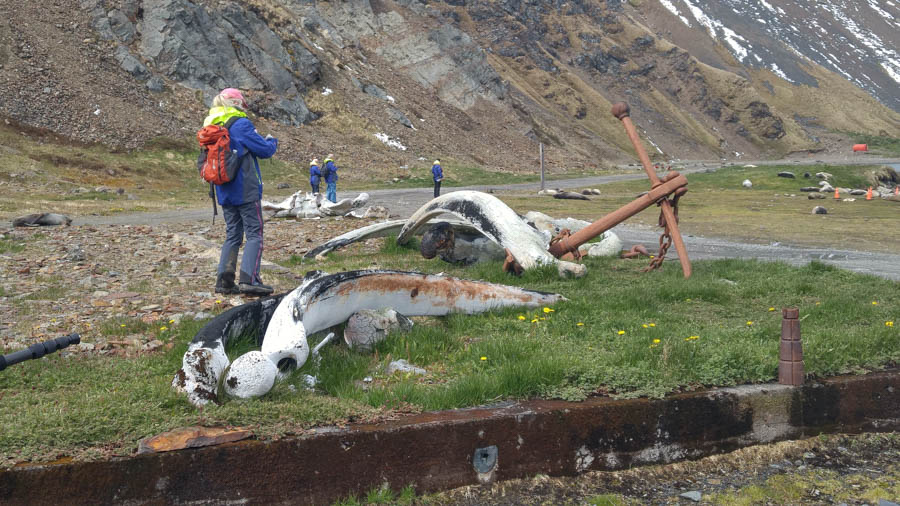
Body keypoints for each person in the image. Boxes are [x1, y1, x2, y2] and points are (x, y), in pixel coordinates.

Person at [204, 88, 278, 296]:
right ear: (237, 104)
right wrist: (272, 141)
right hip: (245, 188)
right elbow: (264, 150)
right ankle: (249, 278)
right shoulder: (241, 124)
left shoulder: (212, 125)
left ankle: (224, 281)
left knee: (233, 234)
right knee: (255, 232)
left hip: (223, 189)